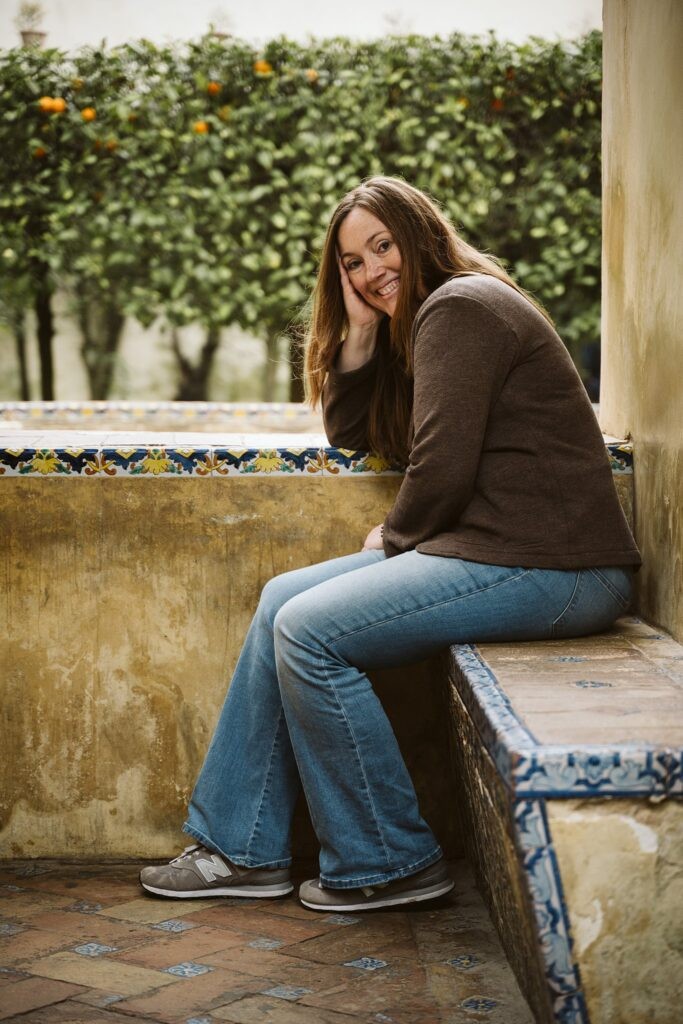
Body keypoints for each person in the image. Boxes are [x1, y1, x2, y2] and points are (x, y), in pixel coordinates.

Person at [140, 176, 641, 912]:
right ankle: (243, 850)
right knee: (284, 597)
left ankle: (388, 859)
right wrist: (361, 331)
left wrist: (397, 534)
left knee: (308, 631)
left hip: (557, 568)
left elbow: (441, 465)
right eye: (351, 262)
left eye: (382, 247)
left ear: (419, 234)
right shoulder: (431, 315)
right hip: (503, 554)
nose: (372, 270)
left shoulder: (461, 307)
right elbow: (350, 433)